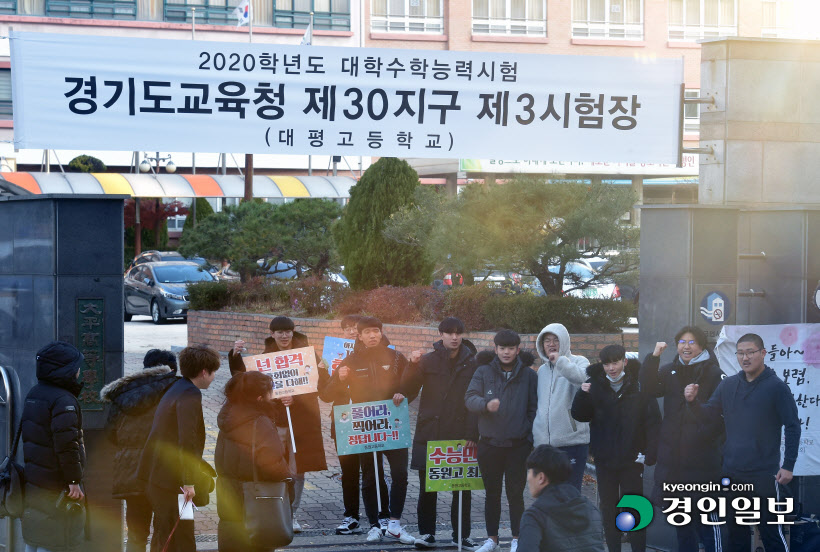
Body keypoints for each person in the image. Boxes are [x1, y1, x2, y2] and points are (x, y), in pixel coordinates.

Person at [686, 333, 800, 552]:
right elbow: (709, 414)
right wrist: (693, 403)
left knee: (771, 533)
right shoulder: (728, 385)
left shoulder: (776, 387)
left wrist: (789, 465)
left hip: (764, 474)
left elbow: (793, 425)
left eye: (750, 352)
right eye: (740, 353)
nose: (745, 358)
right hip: (732, 473)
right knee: (735, 535)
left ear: (763, 353)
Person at [229, 316, 328, 533]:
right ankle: (277, 511)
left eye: (288, 331)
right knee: (274, 467)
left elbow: (319, 386)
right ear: (272, 334)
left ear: (293, 332)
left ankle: (292, 514)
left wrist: (296, 399)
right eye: (279, 332)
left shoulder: (308, 355)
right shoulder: (265, 358)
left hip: (301, 422)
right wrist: (235, 357)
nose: (284, 335)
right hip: (275, 421)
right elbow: (246, 383)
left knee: (298, 469)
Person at [325, 316, 417, 545]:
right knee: (370, 477)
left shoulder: (396, 357)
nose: (372, 335)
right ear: (359, 335)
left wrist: (405, 394)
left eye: (376, 330)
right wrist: (339, 378)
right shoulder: (351, 360)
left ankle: (394, 523)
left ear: (381, 332)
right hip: (365, 428)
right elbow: (327, 395)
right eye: (367, 332)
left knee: (400, 475)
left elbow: (413, 384)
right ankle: (375, 524)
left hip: (393, 426)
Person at [640, 326, 726, 552]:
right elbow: (649, 388)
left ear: (701, 346)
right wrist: (654, 357)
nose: (686, 347)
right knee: (682, 521)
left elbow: (719, 417)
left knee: (707, 521)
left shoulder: (713, 372)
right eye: (682, 342)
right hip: (673, 459)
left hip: (702, 459)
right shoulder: (669, 370)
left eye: (691, 342)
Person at [571, 344, 661, 552]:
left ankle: (638, 548)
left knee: (635, 506)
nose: (611, 367)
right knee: (609, 508)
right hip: (605, 458)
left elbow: (653, 421)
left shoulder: (639, 385)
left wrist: (649, 453)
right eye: (607, 364)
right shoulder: (594, 384)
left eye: (615, 362)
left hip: (632, 458)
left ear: (624, 362)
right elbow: (580, 415)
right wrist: (582, 394)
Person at [402, 317, 480, 551]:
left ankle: (461, 536)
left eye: (458, 333)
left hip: (460, 433)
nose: (454, 337)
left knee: (462, 487)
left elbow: (475, 400)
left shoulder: (472, 363)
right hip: (431, 432)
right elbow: (408, 389)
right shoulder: (427, 360)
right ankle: (426, 533)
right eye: (449, 333)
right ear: (441, 334)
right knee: (428, 487)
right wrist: (411, 364)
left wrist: (472, 433)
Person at [138, 344, 220, 552]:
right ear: (204, 372)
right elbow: (187, 440)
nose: (213, 378)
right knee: (174, 532)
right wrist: (189, 482)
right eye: (213, 373)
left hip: (159, 475)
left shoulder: (178, 386)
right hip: (171, 479)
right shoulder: (190, 394)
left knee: (171, 530)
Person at [465, 329, 538, 552]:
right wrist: (485, 405)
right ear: (495, 349)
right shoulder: (483, 371)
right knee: (492, 494)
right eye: (502, 348)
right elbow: (469, 398)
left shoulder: (529, 375)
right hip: (489, 444)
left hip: (518, 446)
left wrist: (528, 435)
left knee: (516, 494)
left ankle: (516, 538)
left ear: (518, 350)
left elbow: (534, 408)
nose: (506, 352)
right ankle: (492, 540)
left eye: (511, 348)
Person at [100, 349, 179, 552]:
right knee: (165, 533)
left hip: (131, 471)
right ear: (171, 369)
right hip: (163, 472)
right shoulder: (175, 389)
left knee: (136, 534)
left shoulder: (123, 392)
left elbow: (111, 434)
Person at [319, 314, 390, 536]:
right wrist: (337, 378)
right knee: (348, 472)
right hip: (344, 423)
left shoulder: (384, 354)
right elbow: (326, 395)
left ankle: (382, 516)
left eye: (355, 328)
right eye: (348, 328)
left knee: (374, 471)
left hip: (371, 422)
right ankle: (351, 517)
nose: (352, 332)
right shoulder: (342, 359)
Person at [215, 371, 293, 552]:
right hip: (256, 501)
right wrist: (288, 480)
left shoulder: (228, 418)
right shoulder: (261, 422)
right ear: (259, 398)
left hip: (228, 494)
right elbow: (272, 464)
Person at [21, 341, 87, 552]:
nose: (79, 371)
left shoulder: (35, 393)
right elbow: (68, 445)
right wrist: (74, 481)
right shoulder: (63, 400)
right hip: (57, 482)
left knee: (37, 534)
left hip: (35, 478)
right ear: (66, 369)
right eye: (76, 367)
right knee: (57, 538)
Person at [533, 323, 590, 490]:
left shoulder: (579, 361)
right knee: (547, 494)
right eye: (547, 341)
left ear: (564, 341)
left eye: (555, 340)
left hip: (572, 443)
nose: (551, 344)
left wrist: (561, 363)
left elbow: (583, 379)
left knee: (570, 494)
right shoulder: (542, 370)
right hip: (544, 445)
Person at [518, 445, 606, 552]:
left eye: (529, 472)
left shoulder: (535, 516)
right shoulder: (592, 510)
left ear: (541, 477)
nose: (528, 478)